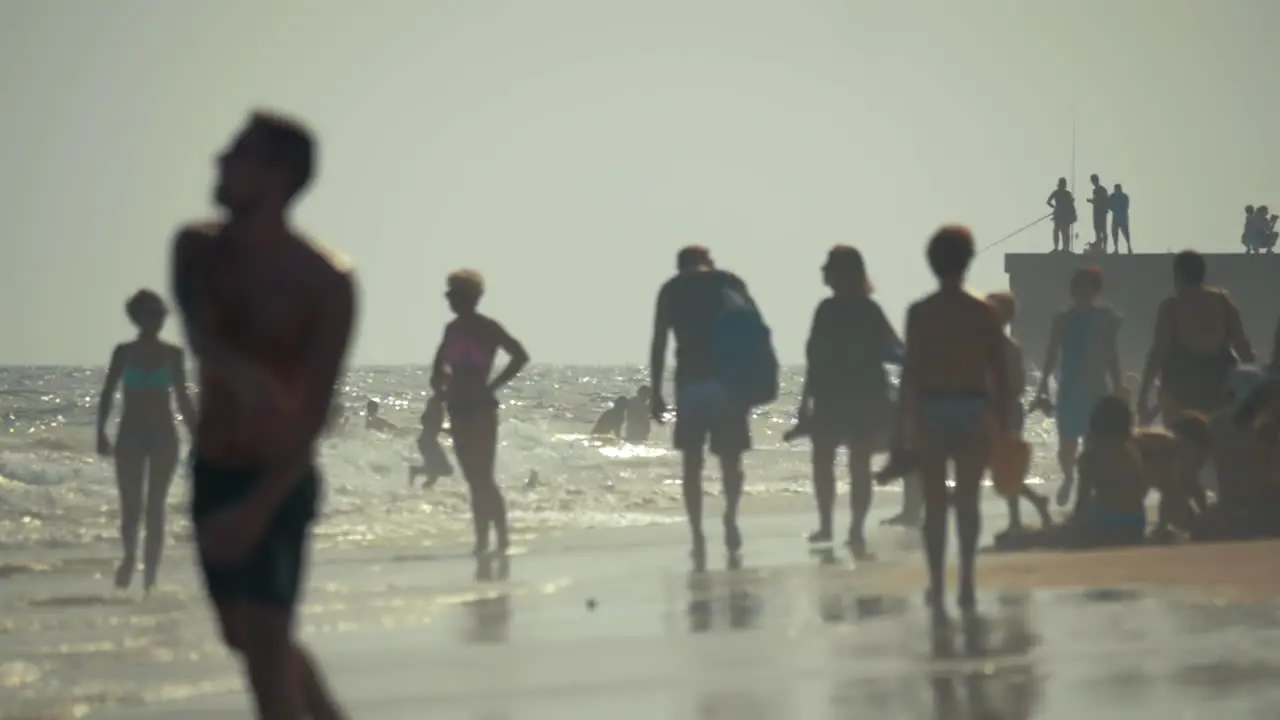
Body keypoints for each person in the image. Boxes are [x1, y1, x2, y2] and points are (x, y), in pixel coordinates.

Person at [171, 111, 352, 720]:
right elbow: (201, 335)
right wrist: (242, 373)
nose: (220, 162)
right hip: (215, 469)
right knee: (246, 638)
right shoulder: (196, 248)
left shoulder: (326, 281)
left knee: (268, 649)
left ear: (278, 176)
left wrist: (257, 508)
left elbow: (314, 415)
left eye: (238, 154)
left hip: (280, 478)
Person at [900, 226, 1011, 611]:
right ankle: (964, 578)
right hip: (972, 406)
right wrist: (1006, 422)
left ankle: (936, 581)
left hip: (932, 407)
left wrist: (905, 428)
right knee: (967, 500)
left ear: (931, 263)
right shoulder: (983, 312)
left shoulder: (920, 313)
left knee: (935, 504)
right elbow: (999, 372)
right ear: (968, 259)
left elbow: (910, 375)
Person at [649, 245, 773, 565]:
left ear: (680, 266)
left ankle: (696, 533)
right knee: (731, 461)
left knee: (692, 465)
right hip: (729, 385)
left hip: (691, 385)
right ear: (709, 262)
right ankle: (730, 517)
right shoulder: (729, 282)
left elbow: (660, 340)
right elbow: (755, 329)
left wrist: (655, 391)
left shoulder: (672, 289)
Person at [796, 246, 900, 555]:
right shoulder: (864, 309)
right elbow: (896, 349)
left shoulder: (833, 310)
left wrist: (806, 403)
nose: (823, 272)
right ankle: (846, 527)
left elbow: (814, 359)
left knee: (832, 461)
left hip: (841, 396)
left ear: (843, 274)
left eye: (829, 267)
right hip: (861, 396)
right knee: (853, 462)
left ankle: (836, 526)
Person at [96, 290, 197, 592]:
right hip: (130, 435)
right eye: (150, 314)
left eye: (161, 314)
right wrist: (100, 431)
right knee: (131, 506)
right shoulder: (123, 352)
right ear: (137, 317)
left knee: (156, 507)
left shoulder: (173, 354)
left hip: (164, 436)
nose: (157, 320)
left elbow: (182, 400)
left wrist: (198, 441)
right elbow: (107, 394)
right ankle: (129, 557)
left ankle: (150, 579)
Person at [429, 269, 529, 555]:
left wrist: (492, 385)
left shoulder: (488, 327)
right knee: (473, 477)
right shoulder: (452, 329)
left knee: (482, 475)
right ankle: (483, 540)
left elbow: (520, 355)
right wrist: (441, 386)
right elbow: (438, 366)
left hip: (480, 409)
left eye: (452, 294)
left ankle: (501, 537)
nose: (448, 298)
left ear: (466, 297)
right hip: (458, 408)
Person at [1033, 267, 1122, 508]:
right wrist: (1041, 387)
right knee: (1066, 443)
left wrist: (1118, 385)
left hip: (1095, 387)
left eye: (1084, 286)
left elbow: (1111, 355)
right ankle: (1069, 477)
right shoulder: (1062, 318)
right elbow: (1051, 353)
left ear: (1094, 289)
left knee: (1093, 441)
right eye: (1076, 285)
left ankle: (1089, 487)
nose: (1079, 290)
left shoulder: (1106, 317)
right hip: (1069, 386)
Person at [1138, 251, 1254, 425]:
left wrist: (1143, 395)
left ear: (1178, 276)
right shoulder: (1222, 302)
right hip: (1219, 390)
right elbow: (1242, 347)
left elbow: (1158, 352)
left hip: (1181, 392)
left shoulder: (1171, 307)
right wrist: (1258, 386)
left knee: (1181, 444)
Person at [985, 292, 1052, 537]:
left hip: (1006, 413)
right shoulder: (984, 346)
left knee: (1006, 467)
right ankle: (1035, 503)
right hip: (990, 412)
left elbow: (1019, 385)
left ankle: (1017, 518)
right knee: (998, 467)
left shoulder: (1009, 348)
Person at [1069, 396, 1148, 547]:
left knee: (1057, 534)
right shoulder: (1133, 450)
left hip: (1106, 524)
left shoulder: (1090, 457)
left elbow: (1082, 500)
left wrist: (1075, 522)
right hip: (1136, 522)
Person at [409, 393, 453, 488]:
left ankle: (426, 496)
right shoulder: (436, 405)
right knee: (445, 470)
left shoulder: (437, 405)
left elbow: (428, 422)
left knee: (434, 475)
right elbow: (429, 423)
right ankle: (415, 470)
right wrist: (445, 430)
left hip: (429, 441)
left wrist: (444, 430)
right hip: (428, 442)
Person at [1046, 178, 1076, 253]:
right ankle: (1059, 248)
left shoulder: (1064, 193)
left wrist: (1055, 207)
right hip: (1060, 215)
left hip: (1063, 215)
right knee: (1059, 231)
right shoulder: (1061, 193)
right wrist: (1055, 207)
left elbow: (1071, 204)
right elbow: (1048, 202)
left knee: (1063, 232)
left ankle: (1064, 249)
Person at [1086, 174, 1110, 252]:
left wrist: (1091, 201)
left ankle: (1103, 247)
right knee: (1098, 230)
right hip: (1099, 211)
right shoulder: (1101, 189)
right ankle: (1100, 246)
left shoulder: (1098, 190)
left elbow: (1099, 201)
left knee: (1101, 230)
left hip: (1100, 211)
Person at [1109, 183, 1131, 254]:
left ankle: (1129, 246)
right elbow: (1109, 205)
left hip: (1122, 217)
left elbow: (1126, 206)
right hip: (1116, 217)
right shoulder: (1113, 196)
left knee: (1125, 232)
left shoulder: (1124, 196)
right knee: (1114, 233)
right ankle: (1116, 248)